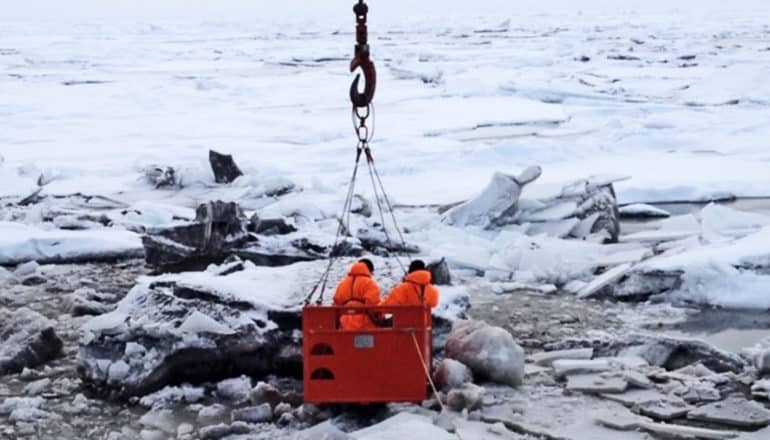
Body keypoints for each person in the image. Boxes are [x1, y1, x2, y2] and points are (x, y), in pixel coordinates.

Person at [333, 258, 381, 330]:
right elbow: (373, 305)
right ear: (369, 270)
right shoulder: (370, 284)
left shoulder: (342, 284)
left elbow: (337, 301)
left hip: (344, 323)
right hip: (365, 324)